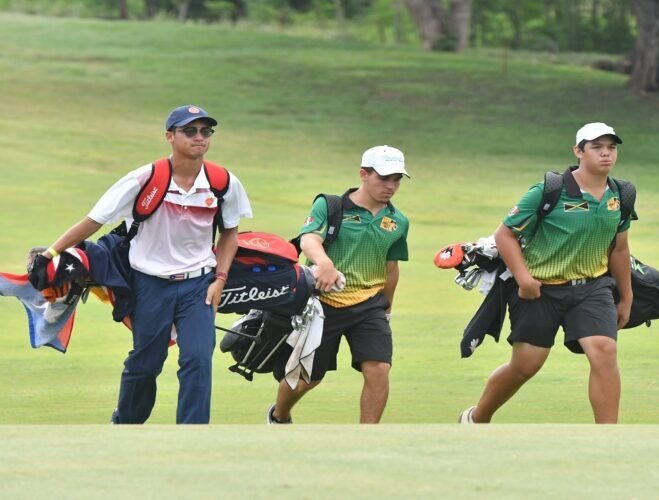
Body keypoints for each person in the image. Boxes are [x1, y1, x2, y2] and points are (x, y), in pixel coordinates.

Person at [29, 105, 252, 424]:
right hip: (150, 284)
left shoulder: (223, 182)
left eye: (206, 131)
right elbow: (94, 221)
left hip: (199, 284)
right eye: (190, 131)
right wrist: (50, 254)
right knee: (147, 361)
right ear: (170, 136)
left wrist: (220, 278)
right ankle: (127, 425)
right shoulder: (144, 179)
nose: (199, 137)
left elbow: (230, 233)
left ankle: (194, 435)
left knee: (198, 359)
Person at [459, 122, 634, 424]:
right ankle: (477, 417)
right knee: (526, 365)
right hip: (540, 290)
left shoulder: (621, 194)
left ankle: (609, 436)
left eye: (611, 147)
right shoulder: (550, 190)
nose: (606, 153)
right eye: (597, 147)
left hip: (592, 287)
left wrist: (627, 297)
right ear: (578, 151)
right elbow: (505, 235)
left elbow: (619, 249)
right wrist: (525, 280)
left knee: (604, 350)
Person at [267, 145, 410, 424]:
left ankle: (367, 437)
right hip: (322, 305)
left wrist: (387, 308)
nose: (391, 186)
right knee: (309, 377)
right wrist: (324, 263)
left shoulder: (398, 221)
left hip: (370, 304)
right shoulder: (331, 206)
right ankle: (279, 415)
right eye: (384, 178)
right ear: (363, 174)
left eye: (397, 179)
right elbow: (309, 238)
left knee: (379, 368)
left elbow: (391, 267)